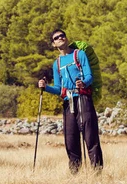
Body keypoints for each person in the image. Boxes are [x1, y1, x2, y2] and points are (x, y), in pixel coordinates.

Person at [39, 29, 103, 173]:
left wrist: (84, 83)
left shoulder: (79, 54)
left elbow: (89, 76)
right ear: (54, 44)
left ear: (66, 39)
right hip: (68, 102)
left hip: (83, 98)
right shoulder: (57, 63)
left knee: (90, 136)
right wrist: (45, 88)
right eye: (56, 38)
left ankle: (97, 172)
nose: (60, 38)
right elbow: (58, 88)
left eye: (62, 36)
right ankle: (75, 173)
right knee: (70, 139)